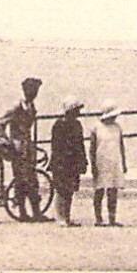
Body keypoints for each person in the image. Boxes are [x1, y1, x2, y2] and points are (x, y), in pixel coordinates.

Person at [0, 76, 51, 222]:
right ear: (25, 91)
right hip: (18, 149)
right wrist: (7, 142)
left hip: (28, 147)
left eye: (36, 90)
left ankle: (36, 213)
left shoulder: (31, 106)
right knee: (21, 180)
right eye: (32, 90)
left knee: (32, 179)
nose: (34, 93)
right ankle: (23, 212)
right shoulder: (16, 107)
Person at [50, 97, 87, 227]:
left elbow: (80, 144)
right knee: (61, 190)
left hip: (73, 161)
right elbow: (56, 146)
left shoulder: (77, 125)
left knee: (70, 190)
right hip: (62, 161)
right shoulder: (59, 125)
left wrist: (83, 160)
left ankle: (67, 216)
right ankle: (60, 217)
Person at [89, 102, 127, 226]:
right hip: (101, 161)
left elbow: (121, 145)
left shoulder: (117, 127)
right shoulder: (96, 127)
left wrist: (124, 162)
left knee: (113, 191)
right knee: (99, 191)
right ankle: (98, 219)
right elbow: (92, 148)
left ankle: (112, 219)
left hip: (114, 161)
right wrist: (93, 165)